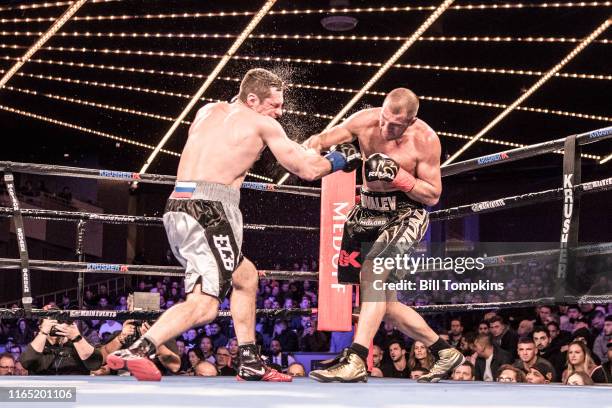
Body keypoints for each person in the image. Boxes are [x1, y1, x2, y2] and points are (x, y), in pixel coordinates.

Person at [107, 68, 359, 382]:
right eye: (275, 104)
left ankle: (251, 360)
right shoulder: (262, 122)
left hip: (177, 205)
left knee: (245, 276)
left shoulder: (207, 111)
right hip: (211, 211)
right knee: (205, 305)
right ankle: (139, 349)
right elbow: (306, 169)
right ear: (252, 98)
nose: (280, 111)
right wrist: (340, 159)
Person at [306, 88, 463, 383]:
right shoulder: (365, 121)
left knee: (373, 273)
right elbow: (317, 140)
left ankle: (355, 359)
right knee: (386, 307)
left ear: (410, 120)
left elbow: (432, 195)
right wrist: (325, 154)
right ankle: (445, 352)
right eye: (384, 119)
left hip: (405, 213)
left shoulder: (425, 140)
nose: (384, 127)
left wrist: (400, 177)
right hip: (367, 211)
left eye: (394, 124)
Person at [20, 314, 103, 375]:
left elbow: (95, 364)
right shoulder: (37, 345)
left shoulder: (78, 343)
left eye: (59, 322)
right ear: (40, 326)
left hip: (75, 391)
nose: (55, 326)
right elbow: (26, 363)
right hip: (44, 392)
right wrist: (43, 332)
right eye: (51, 322)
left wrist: (76, 338)